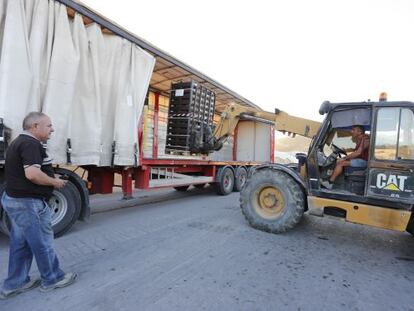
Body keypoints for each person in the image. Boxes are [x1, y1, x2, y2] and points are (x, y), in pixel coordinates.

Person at [0, 112, 77, 299]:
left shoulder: (20, 142)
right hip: (27, 204)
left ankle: (16, 283)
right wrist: (54, 183)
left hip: (17, 201)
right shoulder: (30, 144)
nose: (52, 129)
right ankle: (52, 278)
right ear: (35, 126)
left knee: (21, 243)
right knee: (42, 242)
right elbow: (32, 174)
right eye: (49, 125)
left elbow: (28, 172)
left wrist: (50, 176)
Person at [321, 125, 369, 190]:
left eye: (353, 130)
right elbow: (356, 153)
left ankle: (330, 183)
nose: (351, 131)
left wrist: (345, 158)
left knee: (341, 163)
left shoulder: (365, 139)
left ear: (359, 132)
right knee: (338, 160)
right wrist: (346, 157)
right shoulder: (359, 139)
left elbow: (358, 152)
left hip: (365, 162)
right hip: (360, 160)